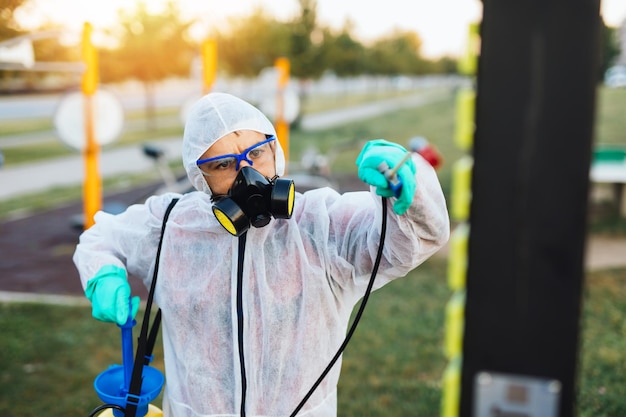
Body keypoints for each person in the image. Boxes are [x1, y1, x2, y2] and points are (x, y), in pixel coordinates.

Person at [74, 92, 450, 417]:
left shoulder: (320, 224)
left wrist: (407, 192)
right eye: (222, 164)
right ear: (199, 176)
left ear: (275, 149)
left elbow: (415, 238)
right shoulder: (171, 225)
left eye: (256, 153)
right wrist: (103, 274)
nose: (247, 173)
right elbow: (102, 237)